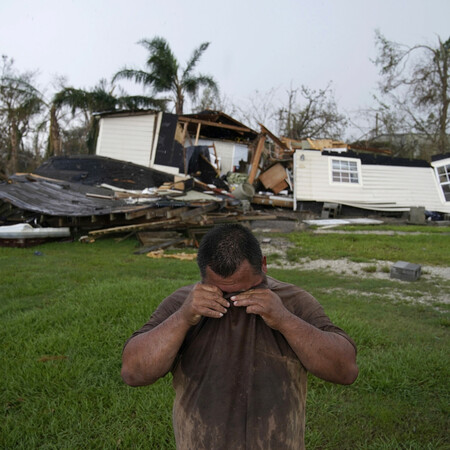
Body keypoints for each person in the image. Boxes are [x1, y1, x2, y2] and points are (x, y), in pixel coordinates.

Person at [122, 223, 358, 449]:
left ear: (263, 265)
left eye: (246, 290)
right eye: (222, 292)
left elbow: (345, 370)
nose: (234, 301)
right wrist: (184, 317)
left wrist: (285, 319)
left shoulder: (293, 301)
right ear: (203, 275)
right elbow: (133, 372)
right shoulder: (184, 303)